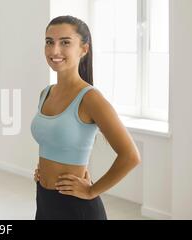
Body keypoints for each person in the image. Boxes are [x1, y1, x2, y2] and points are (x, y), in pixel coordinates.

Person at [31, 16, 141, 220]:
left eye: (65, 42)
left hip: (75, 206)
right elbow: (53, 143)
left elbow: (131, 156)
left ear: (84, 49)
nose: (55, 50)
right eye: (49, 42)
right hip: (44, 199)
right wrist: (44, 172)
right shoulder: (46, 93)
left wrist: (92, 190)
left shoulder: (91, 98)